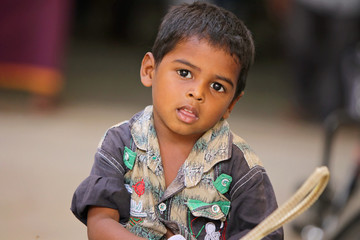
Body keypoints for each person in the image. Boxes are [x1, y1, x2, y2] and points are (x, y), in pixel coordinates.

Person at [71, 2, 283, 240]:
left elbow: (264, 234)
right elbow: (100, 224)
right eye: (184, 73)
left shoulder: (242, 168)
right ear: (150, 70)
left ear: (231, 104)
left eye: (217, 86)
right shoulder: (121, 142)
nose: (197, 93)